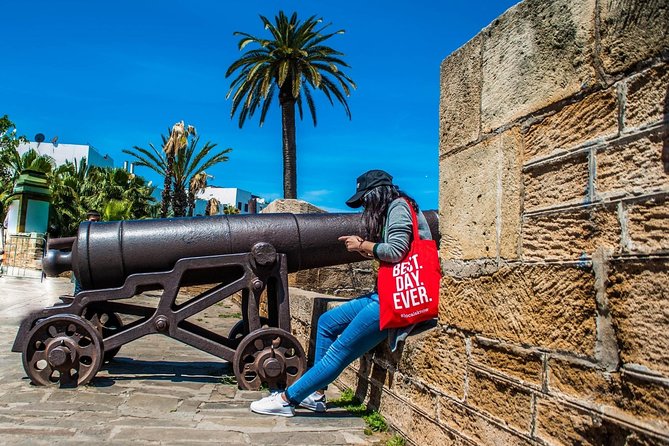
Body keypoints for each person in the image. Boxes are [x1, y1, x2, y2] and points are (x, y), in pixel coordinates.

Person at [250, 169, 433, 417]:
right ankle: (315, 395)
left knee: (340, 351)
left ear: (377, 194)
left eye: (365, 201)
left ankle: (286, 400)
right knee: (327, 322)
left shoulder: (399, 207)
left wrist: (363, 245)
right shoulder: (393, 209)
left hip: (393, 301)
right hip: (383, 295)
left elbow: (397, 251)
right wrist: (366, 249)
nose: (364, 208)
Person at [73, 210, 101, 293]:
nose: (95, 223)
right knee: (80, 286)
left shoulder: (100, 232)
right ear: (87, 220)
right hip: (82, 263)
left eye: (97, 221)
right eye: (92, 220)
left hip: (93, 265)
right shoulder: (83, 231)